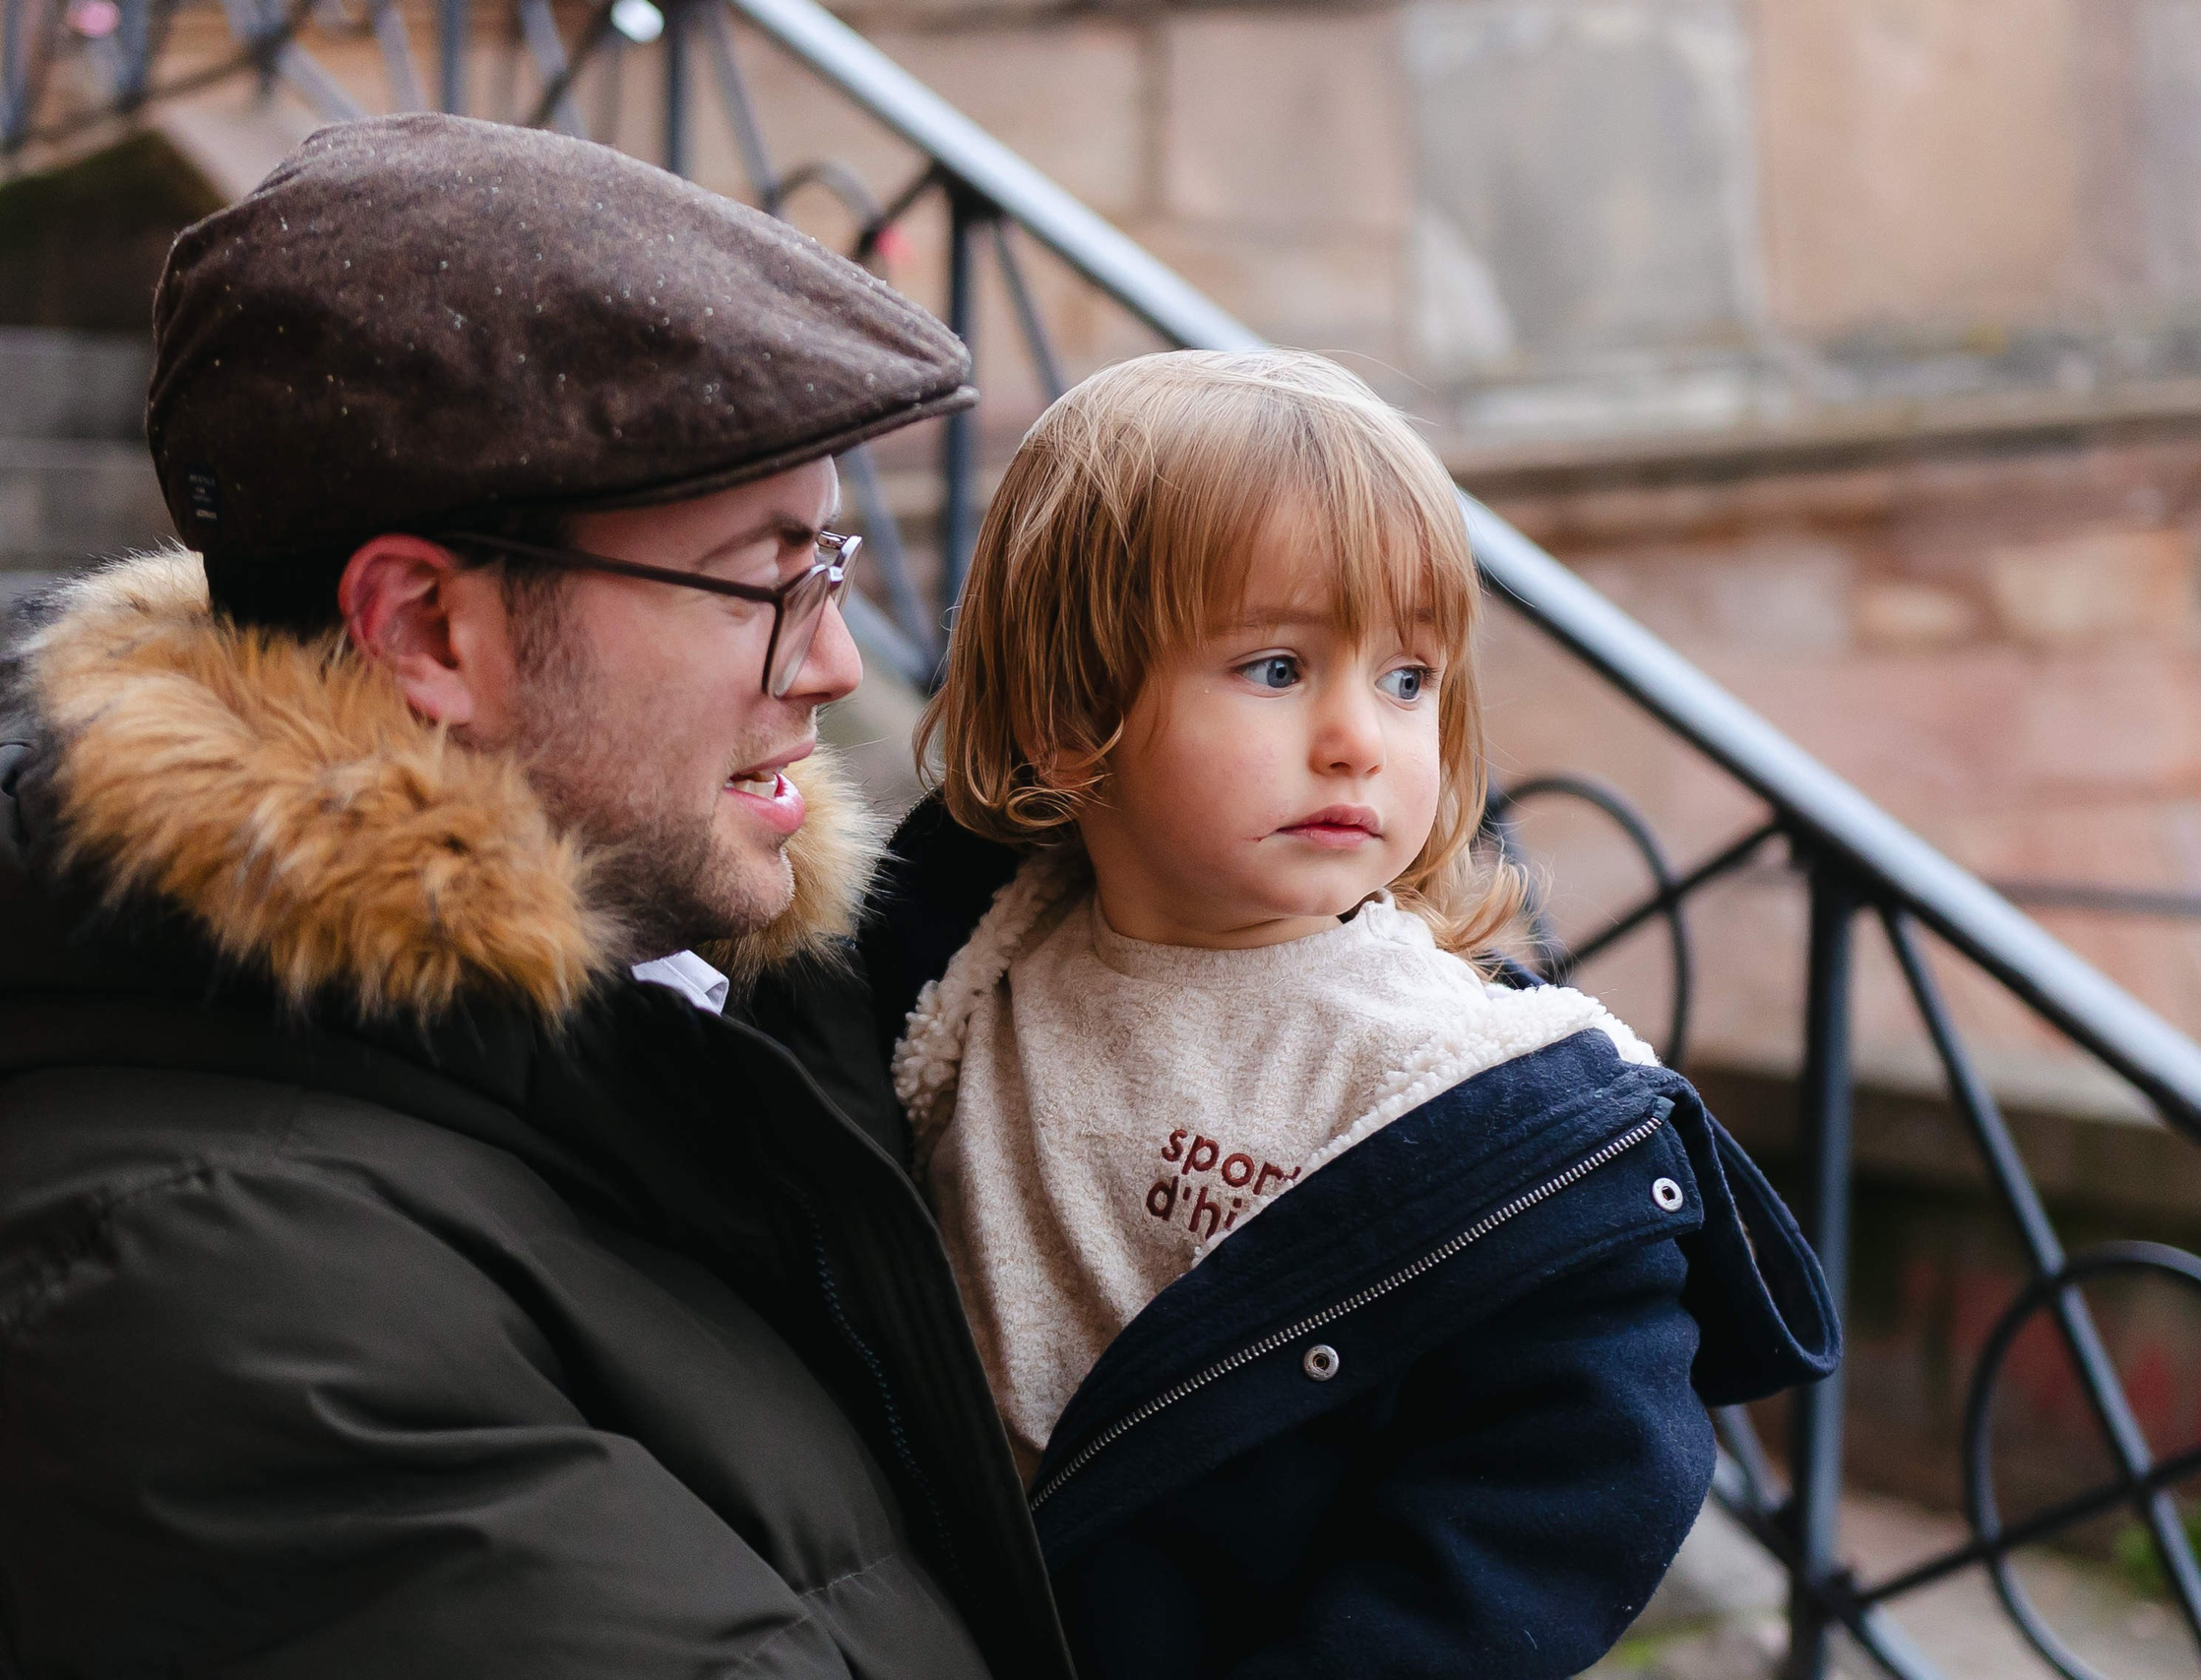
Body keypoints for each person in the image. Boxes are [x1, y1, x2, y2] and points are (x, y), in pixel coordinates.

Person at [0, 113, 1072, 1678]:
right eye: (767, 582)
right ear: (429, 630)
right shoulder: (220, 1286)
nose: (835, 664)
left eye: (834, 569)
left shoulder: (673, 1006)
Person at [853, 348, 1841, 1680]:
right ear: (1068, 713)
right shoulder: (961, 955)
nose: (1357, 739)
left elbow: (1557, 1480)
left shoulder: (1462, 1097)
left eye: (1406, 680)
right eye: (1275, 667)